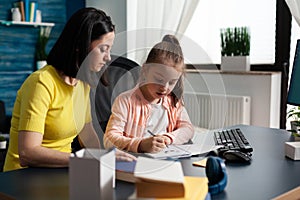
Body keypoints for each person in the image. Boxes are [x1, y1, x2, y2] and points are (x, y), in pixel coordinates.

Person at [3, 7, 135, 172]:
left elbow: (86, 132)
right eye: (103, 49)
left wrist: (107, 159)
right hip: (24, 177)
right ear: (81, 45)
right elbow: (28, 152)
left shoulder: (82, 83)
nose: (108, 57)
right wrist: (87, 158)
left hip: (61, 171)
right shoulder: (41, 83)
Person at [103, 34, 194, 153]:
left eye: (171, 82)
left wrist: (168, 138)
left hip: (167, 160)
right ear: (145, 70)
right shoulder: (125, 101)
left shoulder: (173, 102)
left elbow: (188, 129)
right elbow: (109, 140)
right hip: (134, 162)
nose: (164, 88)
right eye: (159, 80)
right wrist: (140, 144)